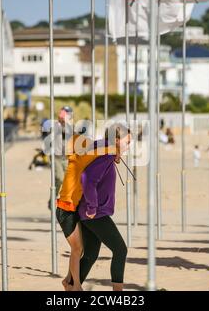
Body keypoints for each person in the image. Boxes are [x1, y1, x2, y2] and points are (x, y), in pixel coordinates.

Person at [56, 134, 114, 291]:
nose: (89, 146)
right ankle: (76, 286)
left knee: (79, 249)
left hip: (73, 209)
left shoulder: (80, 158)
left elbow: (97, 148)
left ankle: (68, 281)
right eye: (85, 144)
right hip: (65, 210)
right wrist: (115, 149)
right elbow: (99, 150)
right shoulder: (78, 159)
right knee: (77, 249)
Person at [78, 123, 131, 291]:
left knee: (91, 254)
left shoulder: (105, 151)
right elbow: (87, 179)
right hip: (95, 213)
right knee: (120, 250)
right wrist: (92, 208)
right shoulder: (106, 154)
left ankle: (71, 285)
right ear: (116, 140)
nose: (129, 145)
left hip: (88, 212)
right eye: (127, 142)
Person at [44, 106, 74, 210]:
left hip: (66, 158)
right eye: (64, 113)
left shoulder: (72, 126)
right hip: (56, 157)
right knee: (60, 178)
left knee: (68, 181)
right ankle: (52, 200)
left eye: (68, 113)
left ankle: (64, 201)